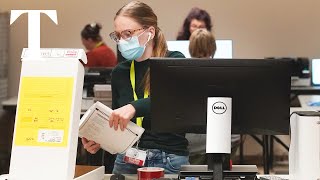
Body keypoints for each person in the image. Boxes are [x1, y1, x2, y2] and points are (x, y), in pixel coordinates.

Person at [82, 1, 189, 174]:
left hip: (168, 158)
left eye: (128, 33)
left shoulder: (174, 61)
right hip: (127, 156)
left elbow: (171, 99)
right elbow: (120, 123)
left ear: (150, 32)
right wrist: (101, 138)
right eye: (118, 35)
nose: (122, 41)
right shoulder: (120, 72)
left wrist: (134, 107)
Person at [187, 29, 240, 165]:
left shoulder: (182, 72)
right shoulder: (223, 73)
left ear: (191, 47)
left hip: (189, 141)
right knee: (235, 135)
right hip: (219, 140)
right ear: (213, 48)